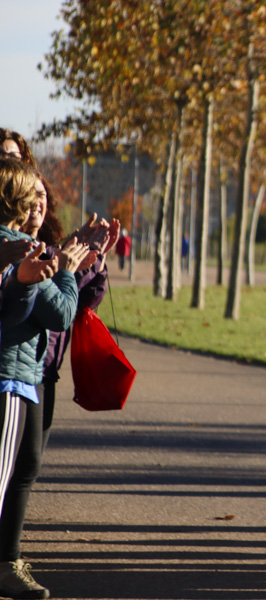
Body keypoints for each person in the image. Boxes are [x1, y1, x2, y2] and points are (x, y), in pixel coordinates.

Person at [0, 157, 94, 599]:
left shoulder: (23, 246)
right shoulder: (16, 246)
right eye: (33, 193)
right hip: (10, 376)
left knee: (22, 470)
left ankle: (8, 560)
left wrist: (79, 261)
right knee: (6, 476)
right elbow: (59, 313)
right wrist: (69, 270)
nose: (41, 201)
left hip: (26, 373)